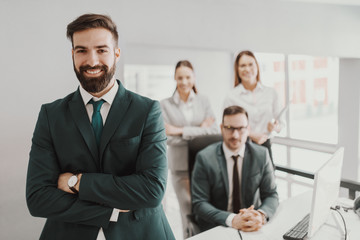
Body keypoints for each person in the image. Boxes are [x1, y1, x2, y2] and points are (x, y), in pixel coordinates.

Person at [26, 14, 174, 240]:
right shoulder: (51, 115)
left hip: (141, 233)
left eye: (102, 50)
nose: (92, 61)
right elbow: (38, 198)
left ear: (116, 53)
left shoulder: (147, 111)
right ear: (73, 54)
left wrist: (76, 182)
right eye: (82, 50)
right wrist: (110, 210)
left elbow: (152, 190)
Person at [191, 106, 279, 233]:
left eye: (241, 129)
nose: (235, 135)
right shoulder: (204, 158)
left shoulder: (261, 155)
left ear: (248, 129)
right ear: (221, 128)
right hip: (218, 225)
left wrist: (260, 215)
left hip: (251, 226)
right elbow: (199, 203)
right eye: (229, 128)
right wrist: (232, 219)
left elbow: (271, 194)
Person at [160, 60, 219, 238]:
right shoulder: (165, 104)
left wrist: (180, 131)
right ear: (174, 78)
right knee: (187, 212)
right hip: (180, 169)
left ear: (193, 77)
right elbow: (166, 137)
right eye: (180, 78)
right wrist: (200, 130)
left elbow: (214, 131)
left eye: (187, 77)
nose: (184, 82)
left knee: (205, 211)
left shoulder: (204, 100)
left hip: (204, 165)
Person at [223, 50, 285, 164]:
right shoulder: (231, 96)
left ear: (257, 66)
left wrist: (275, 127)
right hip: (242, 147)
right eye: (242, 65)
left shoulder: (271, 93)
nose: (247, 69)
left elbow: (281, 124)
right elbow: (227, 126)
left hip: (265, 146)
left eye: (250, 64)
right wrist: (250, 134)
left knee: (269, 180)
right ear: (237, 69)